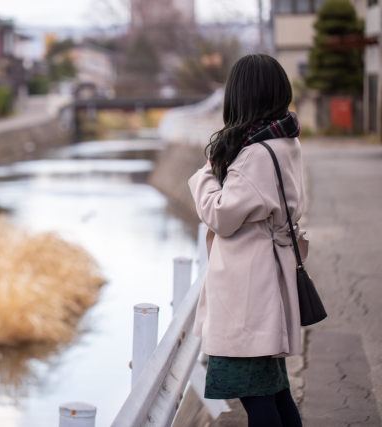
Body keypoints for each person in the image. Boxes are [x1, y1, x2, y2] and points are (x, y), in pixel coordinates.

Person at [188, 53, 306, 427]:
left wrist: (207, 172)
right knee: (272, 392)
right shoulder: (284, 140)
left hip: (249, 293)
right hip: (263, 281)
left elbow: (220, 214)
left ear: (240, 97)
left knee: (257, 397)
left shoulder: (256, 153)